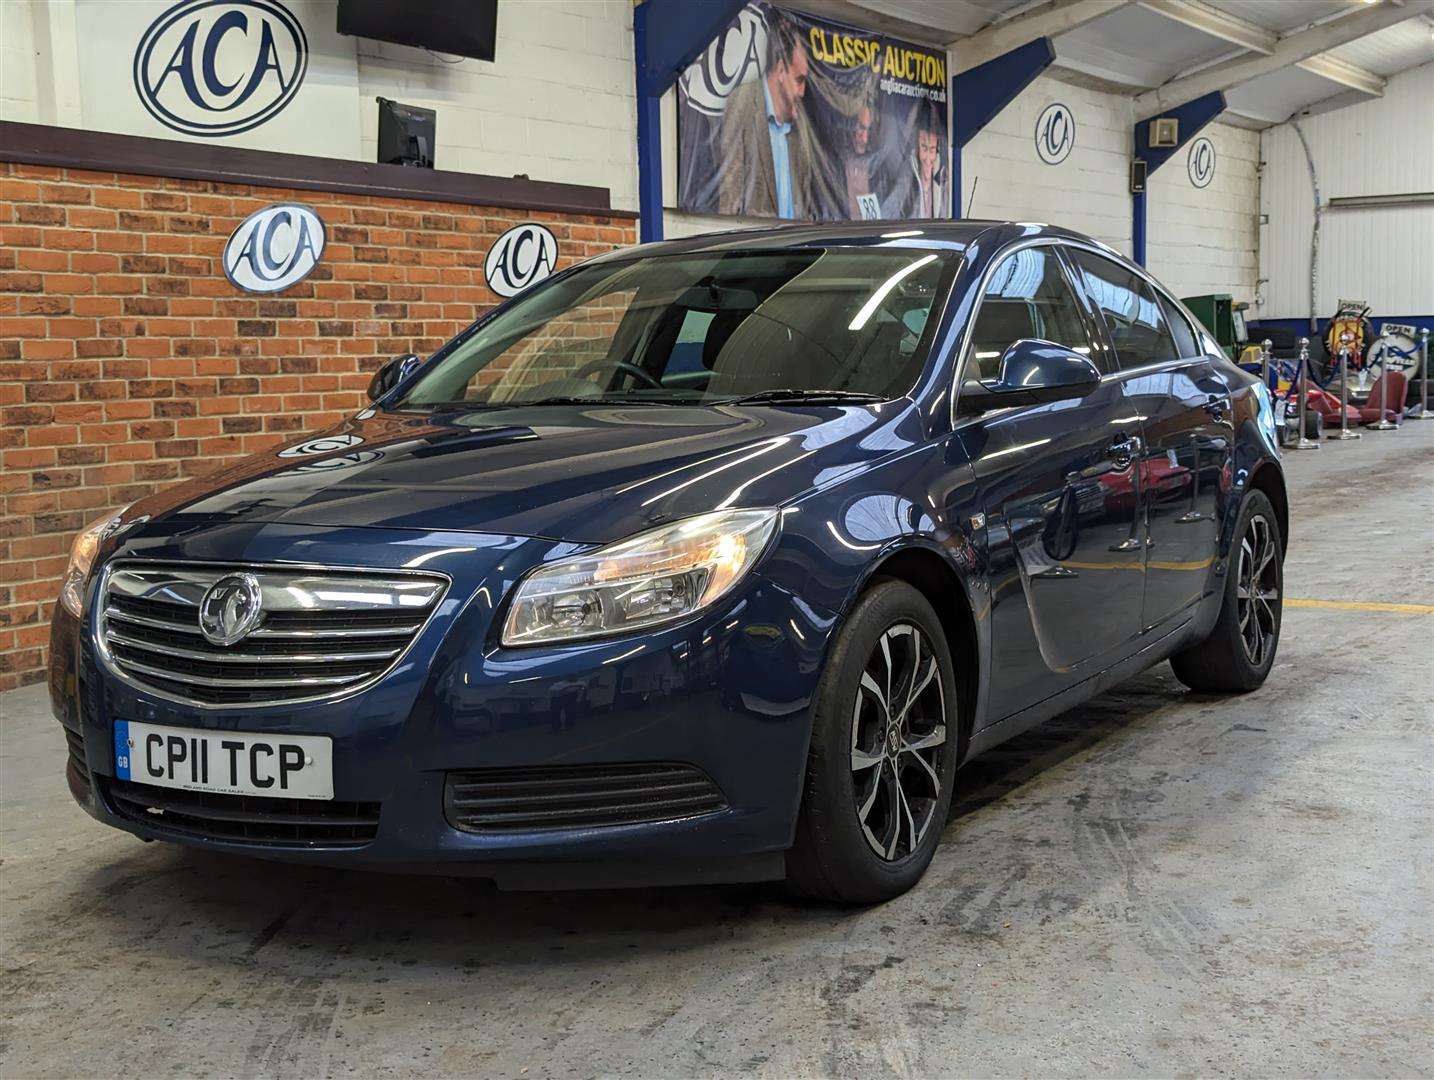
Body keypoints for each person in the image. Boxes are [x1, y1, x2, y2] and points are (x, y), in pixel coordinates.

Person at [718, 15, 820, 219]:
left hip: (796, 246)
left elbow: (807, 203)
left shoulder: (800, 125)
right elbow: (730, 198)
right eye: (799, 80)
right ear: (781, 70)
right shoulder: (743, 102)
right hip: (758, 246)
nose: (802, 91)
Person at [887, 99, 946, 219]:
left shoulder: (942, 182)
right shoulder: (905, 179)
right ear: (915, 149)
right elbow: (887, 211)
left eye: (932, 149)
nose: (928, 158)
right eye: (924, 148)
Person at [843, 103, 879, 219]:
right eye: (861, 127)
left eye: (868, 129)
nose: (864, 136)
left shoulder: (876, 165)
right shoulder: (841, 159)